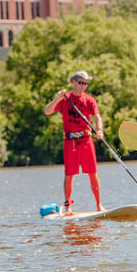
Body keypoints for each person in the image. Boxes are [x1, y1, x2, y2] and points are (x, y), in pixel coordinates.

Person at [44, 70, 105, 214]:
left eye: (86, 83)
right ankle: (68, 207)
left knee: (92, 173)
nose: (84, 86)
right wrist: (57, 99)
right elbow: (47, 111)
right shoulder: (65, 99)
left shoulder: (89, 100)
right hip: (70, 141)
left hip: (86, 140)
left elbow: (97, 116)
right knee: (69, 174)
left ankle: (99, 205)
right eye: (81, 83)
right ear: (73, 82)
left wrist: (99, 129)